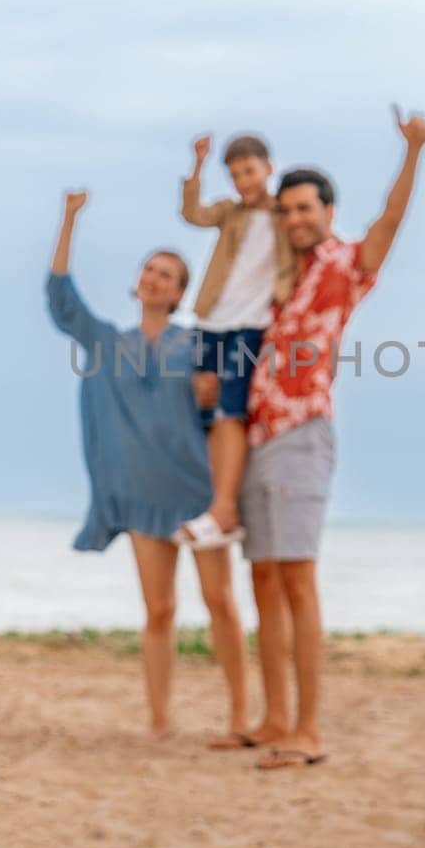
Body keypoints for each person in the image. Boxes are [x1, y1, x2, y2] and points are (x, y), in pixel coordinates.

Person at [240, 106, 425, 770]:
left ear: (326, 210)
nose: (295, 218)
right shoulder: (276, 278)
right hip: (258, 435)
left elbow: (389, 221)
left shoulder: (344, 264)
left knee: (297, 579)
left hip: (303, 434)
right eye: (286, 210)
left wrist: (412, 152)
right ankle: (272, 717)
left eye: (305, 208)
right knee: (262, 578)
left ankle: (309, 729)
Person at [45, 189, 252, 746]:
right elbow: (61, 300)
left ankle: (239, 715)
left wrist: (210, 397)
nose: (154, 278)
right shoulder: (107, 343)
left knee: (219, 603)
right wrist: (68, 219)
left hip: (197, 492)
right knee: (159, 610)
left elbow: (225, 406)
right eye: (149, 270)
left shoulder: (196, 345)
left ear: (180, 292)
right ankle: (160, 719)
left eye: (166, 274)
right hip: (140, 497)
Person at [177, 132, 294, 547]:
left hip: (252, 324)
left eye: (249, 171)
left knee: (232, 409)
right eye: (235, 174)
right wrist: (196, 166)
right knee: (206, 404)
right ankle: (217, 503)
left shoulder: (284, 215)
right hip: (213, 319)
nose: (243, 181)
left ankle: (225, 508)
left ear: (267, 168)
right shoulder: (230, 212)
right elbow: (192, 213)